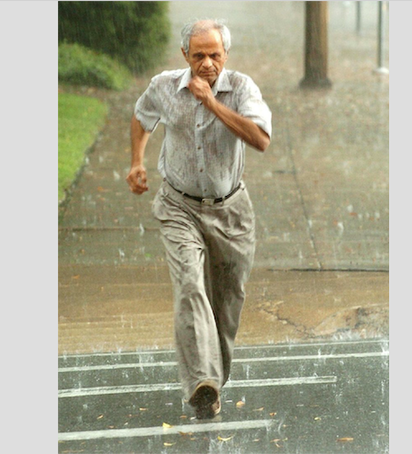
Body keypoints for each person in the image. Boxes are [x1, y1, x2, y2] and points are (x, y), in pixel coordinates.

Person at [126, 19, 272, 420]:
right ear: (184, 56)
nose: (207, 63)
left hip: (231, 211)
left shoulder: (242, 89)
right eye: (198, 56)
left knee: (226, 306)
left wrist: (210, 102)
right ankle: (200, 383)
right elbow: (141, 117)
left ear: (226, 55)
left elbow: (260, 139)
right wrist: (137, 162)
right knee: (190, 285)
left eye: (214, 55)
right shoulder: (163, 86)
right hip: (179, 206)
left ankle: (213, 383)